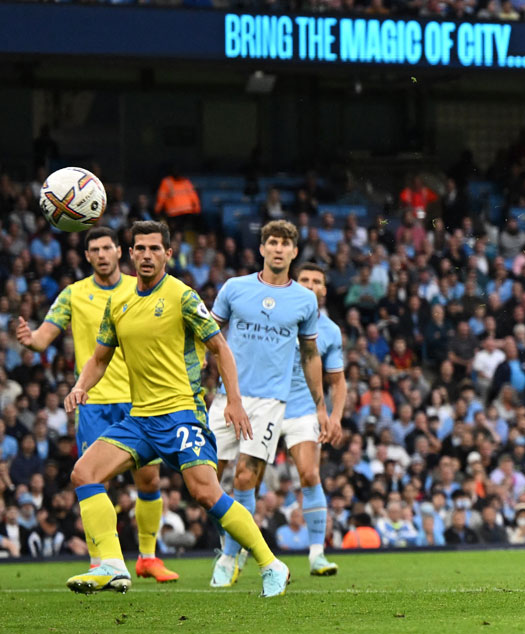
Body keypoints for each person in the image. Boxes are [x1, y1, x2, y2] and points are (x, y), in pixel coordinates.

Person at [62, 221, 289, 597]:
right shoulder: (118, 304)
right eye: (140, 248)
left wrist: (233, 401)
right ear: (130, 253)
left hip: (182, 413)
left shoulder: (183, 296)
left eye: (155, 248)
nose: (147, 255)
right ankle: (113, 566)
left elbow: (221, 349)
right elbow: (99, 358)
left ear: (168, 253)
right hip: (140, 419)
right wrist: (80, 386)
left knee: (206, 494)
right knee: (84, 473)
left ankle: (271, 563)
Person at [16, 227, 178, 583]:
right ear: (86, 256)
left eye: (108, 248)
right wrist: (30, 341)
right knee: (92, 479)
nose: (102, 254)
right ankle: (99, 560)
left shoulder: (142, 288)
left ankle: (148, 557)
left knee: (149, 480)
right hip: (94, 403)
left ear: (119, 251)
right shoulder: (73, 294)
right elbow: (44, 337)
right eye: (95, 250)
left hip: (139, 399)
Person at [208, 220, 322, 588]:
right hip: (228, 396)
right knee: (205, 477)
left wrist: (319, 403)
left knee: (244, 477)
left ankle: (229, 556)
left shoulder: (305, 300)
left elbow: (309, 353)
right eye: (271, 242)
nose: (277, 249)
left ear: (293, 252)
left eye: (284, 244)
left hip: (271, 401)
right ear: (261, 249)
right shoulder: (234, 288)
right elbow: (209, 338)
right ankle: (238, 544)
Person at [278, 262, 346, 576]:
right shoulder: (275, 313)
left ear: (323, 289)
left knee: (309, 474)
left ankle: (317, 554)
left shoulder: (330, 330)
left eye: (316, 281)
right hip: (264, 402)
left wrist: (335, 416)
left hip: (304, 408)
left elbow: (338, 380)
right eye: (303, 279)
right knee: (241, 480)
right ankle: (231, 554)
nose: (309, 284)